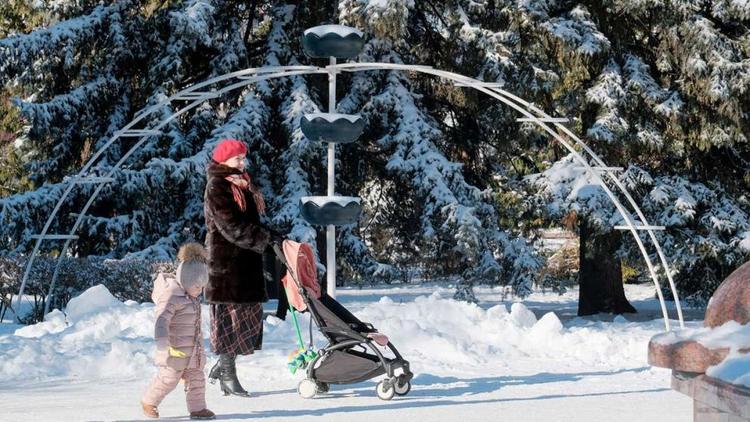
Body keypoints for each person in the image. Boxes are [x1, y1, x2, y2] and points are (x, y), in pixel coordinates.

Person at [203, 139, 284, 396]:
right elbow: (230, 227)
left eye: (242, 158)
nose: (242, 162)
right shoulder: (218, 186)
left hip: (247, 262)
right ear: (224, 160)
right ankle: (227, 375)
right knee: (230, 323)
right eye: (237, 158)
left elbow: (250, 222)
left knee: (248, 323)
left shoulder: (243, 184)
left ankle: (223, 367)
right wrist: (265, 240)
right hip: (226, 266)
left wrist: (275, 237)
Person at [141, 242, 215, 420]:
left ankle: (197, 409)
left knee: (197, 378)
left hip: (193, 351)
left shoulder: (192, 297)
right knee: (168, 379)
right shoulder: (172, 295)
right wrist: (163, 343)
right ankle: (149, 401)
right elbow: (161, 320)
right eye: (197, 286)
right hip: (175, 350)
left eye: (202, 287)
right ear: (186, 280)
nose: (200, 290)